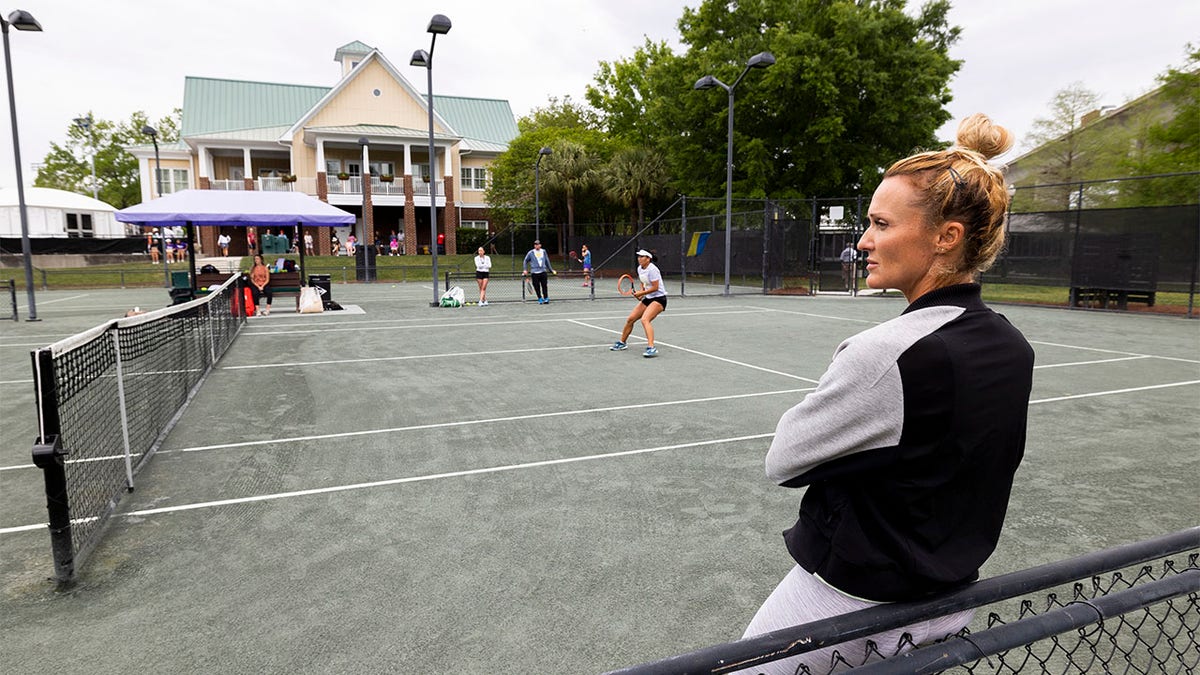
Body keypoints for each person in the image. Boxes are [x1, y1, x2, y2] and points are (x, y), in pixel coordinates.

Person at [735, 114, 1034, 674]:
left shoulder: (889, 350)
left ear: (947, 237)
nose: (864, 241)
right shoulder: (1012, 346)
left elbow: (785, 458)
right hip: (949, 602)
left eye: (880, 224)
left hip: (849, 600)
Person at [609, 249, 666, 358]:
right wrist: (641, 293)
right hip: (648, 298)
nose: (639, 258)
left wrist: (642, 292)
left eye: (642, 256)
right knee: (630, 319)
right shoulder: (640, 268)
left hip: (659, 299)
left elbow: (655, 287)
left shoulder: (653, 270)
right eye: (638, 256)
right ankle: (622, 343)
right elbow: (643, 283)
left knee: (645, 319)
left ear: (648, 259)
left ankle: (651, 348)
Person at [521, 239, 556, 304]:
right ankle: (540, 298)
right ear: (534, 246)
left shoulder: (544, 251)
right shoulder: (530, 253)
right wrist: (525, 269)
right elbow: (525, 261)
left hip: (543, 272)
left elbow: (547, 261)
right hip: (534, 273)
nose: (537, 246)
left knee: (544, 286)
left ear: (540, 245)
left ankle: (546, 298)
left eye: (538, 244)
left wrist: (551, 270)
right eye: (536, 244)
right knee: (536, 287)